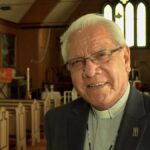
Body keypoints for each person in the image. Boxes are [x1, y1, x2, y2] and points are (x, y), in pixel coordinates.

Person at [44, 13, 150, 150]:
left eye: (101, 55)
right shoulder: (57, 121)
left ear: (125, 58)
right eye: (77, 61)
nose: (90, 72)